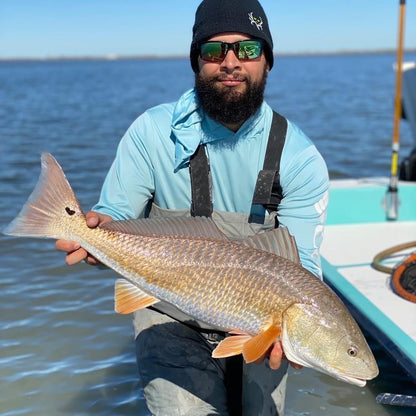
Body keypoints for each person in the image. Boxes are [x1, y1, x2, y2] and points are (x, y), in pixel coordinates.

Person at [56, 0, 329, 414]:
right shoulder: (151, 132)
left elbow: (303, 268)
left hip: (261, 324)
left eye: (249, 49)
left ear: (268, 63)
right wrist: (94, 232)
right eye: (214, 50)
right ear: (197, 63)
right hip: (168, 310)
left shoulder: (300, 157)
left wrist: (290, 333)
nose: (231, 62)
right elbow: (114, 213)